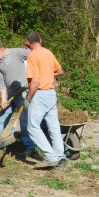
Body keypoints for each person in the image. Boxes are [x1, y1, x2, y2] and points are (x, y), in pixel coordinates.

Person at [0, 39, 36, 156]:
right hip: (9, 93)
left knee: (24, 120)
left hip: (23, 91)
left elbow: (35, 55)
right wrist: (3, 100)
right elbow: (1, 83)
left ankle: (29, 147)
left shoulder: (16, 53)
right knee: (1, 117)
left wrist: (35, 73)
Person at [24, 31, 66, 169]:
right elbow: (59, 71)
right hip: (51, 93)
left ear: (28, 43)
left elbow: (35, 81)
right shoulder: (48, 52)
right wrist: (47, 74)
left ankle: (50, 156)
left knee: (33, 127)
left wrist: (28, 98)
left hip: (40, 94)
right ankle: (60, 157)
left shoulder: (33, 56)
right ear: (40, 40)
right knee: (53, 126)